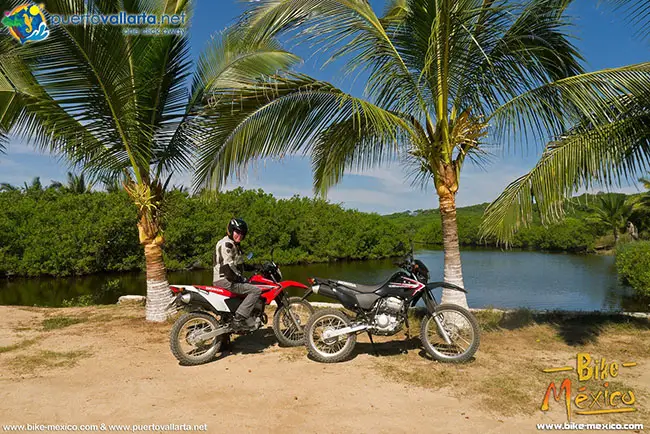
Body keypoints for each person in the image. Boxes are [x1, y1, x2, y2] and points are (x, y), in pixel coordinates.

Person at [213, 218, 261, 331]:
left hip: (227, 279)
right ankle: (238, 319)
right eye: (237, 232)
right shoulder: (226, 245)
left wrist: (256, 267)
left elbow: (239, 264)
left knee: (249, 285)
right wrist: (240, 279)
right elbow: (228, 268)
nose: (239, 235)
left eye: (242, 233)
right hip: (226, 280)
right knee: (256, 291)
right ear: (231, 230)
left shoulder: (233, 244)